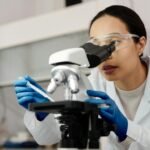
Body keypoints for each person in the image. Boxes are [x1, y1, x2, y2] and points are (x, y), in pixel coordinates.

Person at [13, 5, 150, 150]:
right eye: (96, 44)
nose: (105, 56)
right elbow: (50, 137)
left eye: (113, 42)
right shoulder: (92, 82)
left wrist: (127, 128)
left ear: (140, 45)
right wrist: (43, 113)